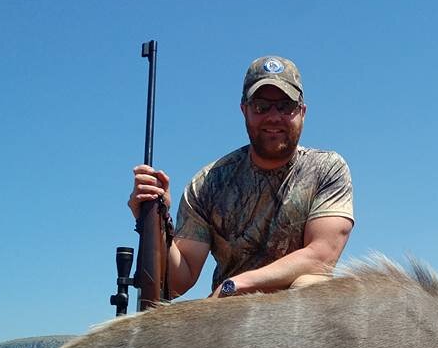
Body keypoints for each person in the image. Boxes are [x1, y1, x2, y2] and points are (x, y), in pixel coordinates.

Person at [128, 55, 354, 298]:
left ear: (302, 111)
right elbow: (177, 283)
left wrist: (235, 285)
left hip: (293, 318)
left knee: (311, 285)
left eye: (286, 106)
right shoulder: (207, 183)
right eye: (261, 106)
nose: (274, 116)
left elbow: (321, 257)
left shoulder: (327, 168)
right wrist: (157, 221)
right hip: (229, 318)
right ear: (244, 110)